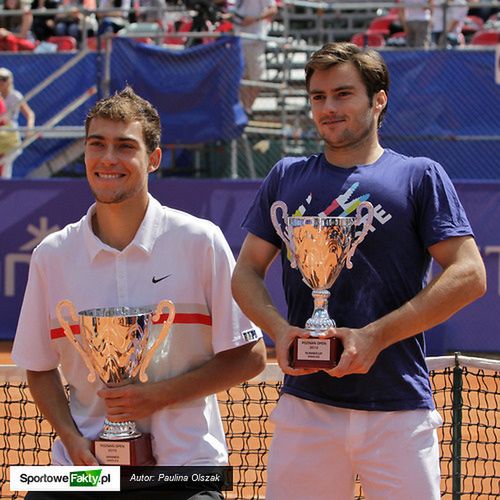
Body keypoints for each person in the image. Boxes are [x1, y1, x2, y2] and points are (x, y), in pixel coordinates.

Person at [231, 42, 486, 499]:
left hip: (398, 409)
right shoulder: (285, 175)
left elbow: (469, 274)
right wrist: (280, 331)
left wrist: (375, 336)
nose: (328, 108)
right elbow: (245, 272)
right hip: (306, 407)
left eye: (343, 94)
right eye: (318, 97)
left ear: (379, 99)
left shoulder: (419, 175)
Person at [12, 86, 266, 499]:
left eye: (124, 146)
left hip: (186, 470)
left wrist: (155, 397)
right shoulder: (51, 255)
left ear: (154, 158)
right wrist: (73, 442)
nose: (108, 158)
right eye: (97, 144)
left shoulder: (201, 240)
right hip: (82, 474)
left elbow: (250, 356)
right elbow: (39, 368)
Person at [231, 0, 278, 116]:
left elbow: (273, 9)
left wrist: (254, 19)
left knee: (256, 78)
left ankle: (247, 108)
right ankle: (245, 110)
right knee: (242, 77)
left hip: (255, 40)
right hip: (239, 40)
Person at [0, 67, 35, 178]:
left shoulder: (15, 96)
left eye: (4, 78)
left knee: (5, 167)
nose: (1, 81)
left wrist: (29, 128)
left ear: (10, 80)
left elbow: (29, 114)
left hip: (9, 135)